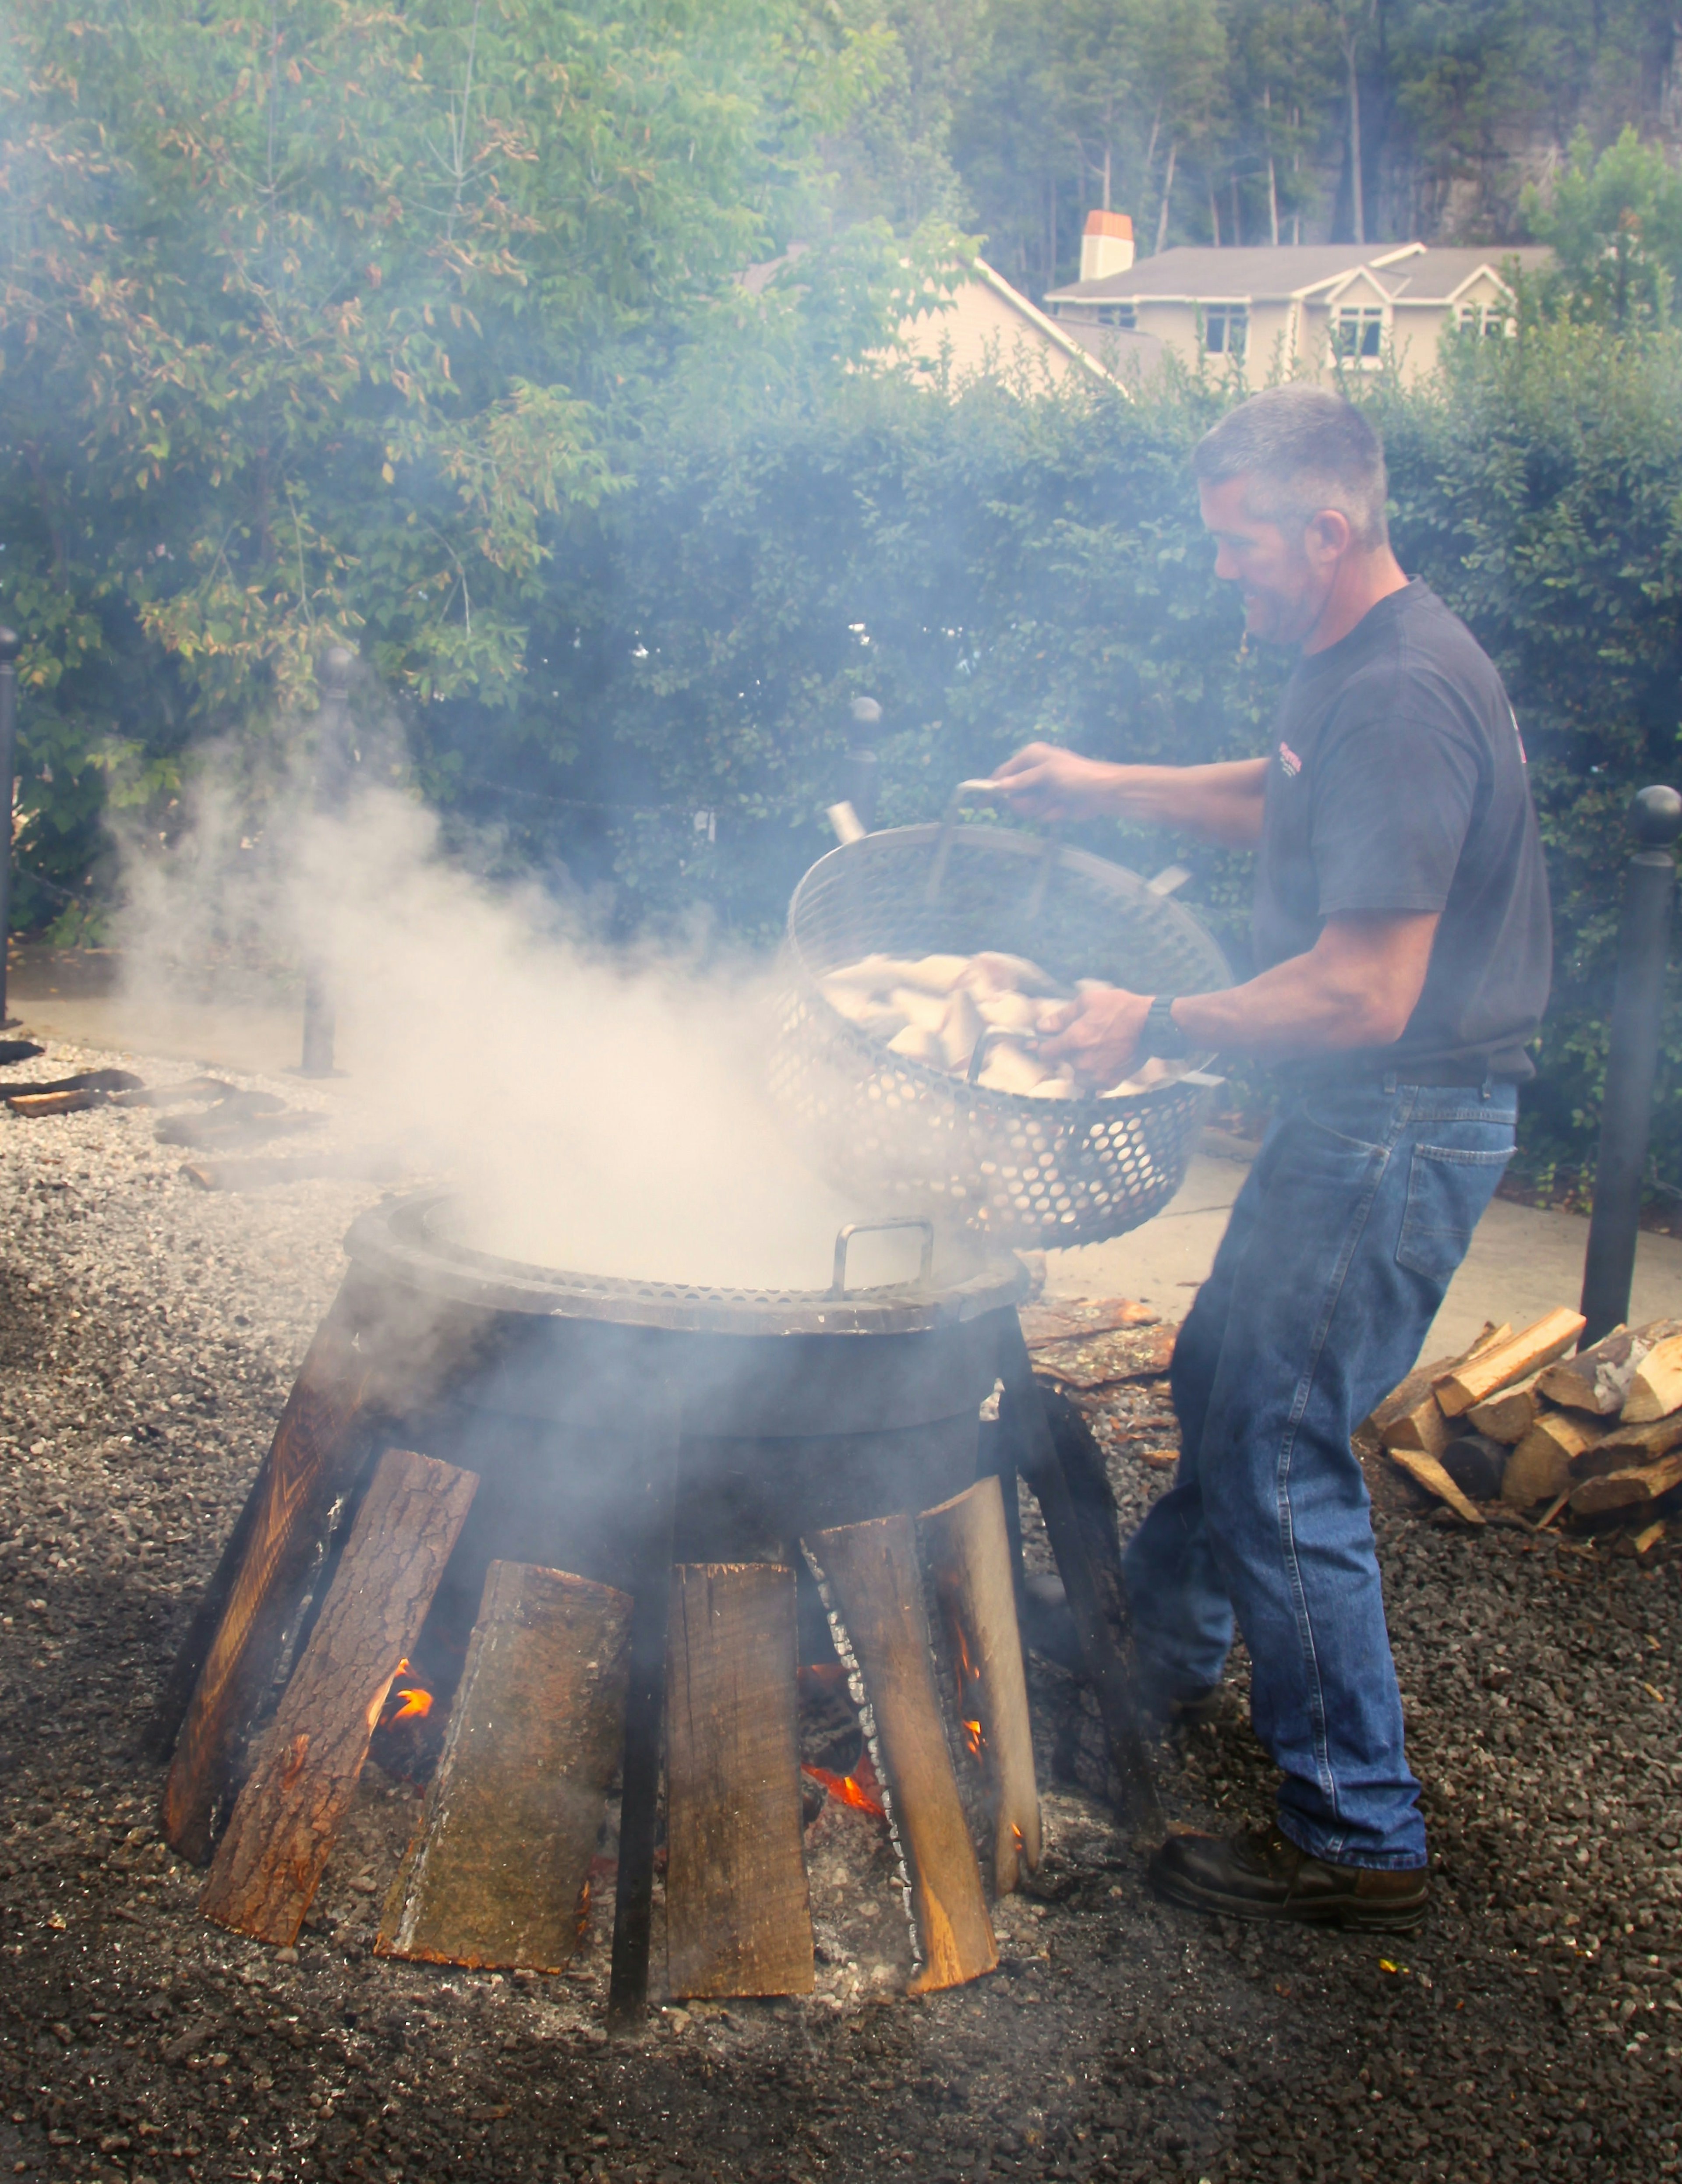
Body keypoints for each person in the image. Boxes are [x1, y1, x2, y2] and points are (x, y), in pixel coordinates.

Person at [989, 384, 1551, 1932]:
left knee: (1278, 1444)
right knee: (1223, 1376)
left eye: (1240, 545)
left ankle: (1357, 1832)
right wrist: (1098, 783)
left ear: (1327, 527)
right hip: (1358, 1121)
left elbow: (1367, 990)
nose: (1222, 570)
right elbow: (1276, 797)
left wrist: (1155, 1015)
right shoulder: (1347, 663)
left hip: (1396, 1127)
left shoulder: (1398, 695)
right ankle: (1157, 1660)